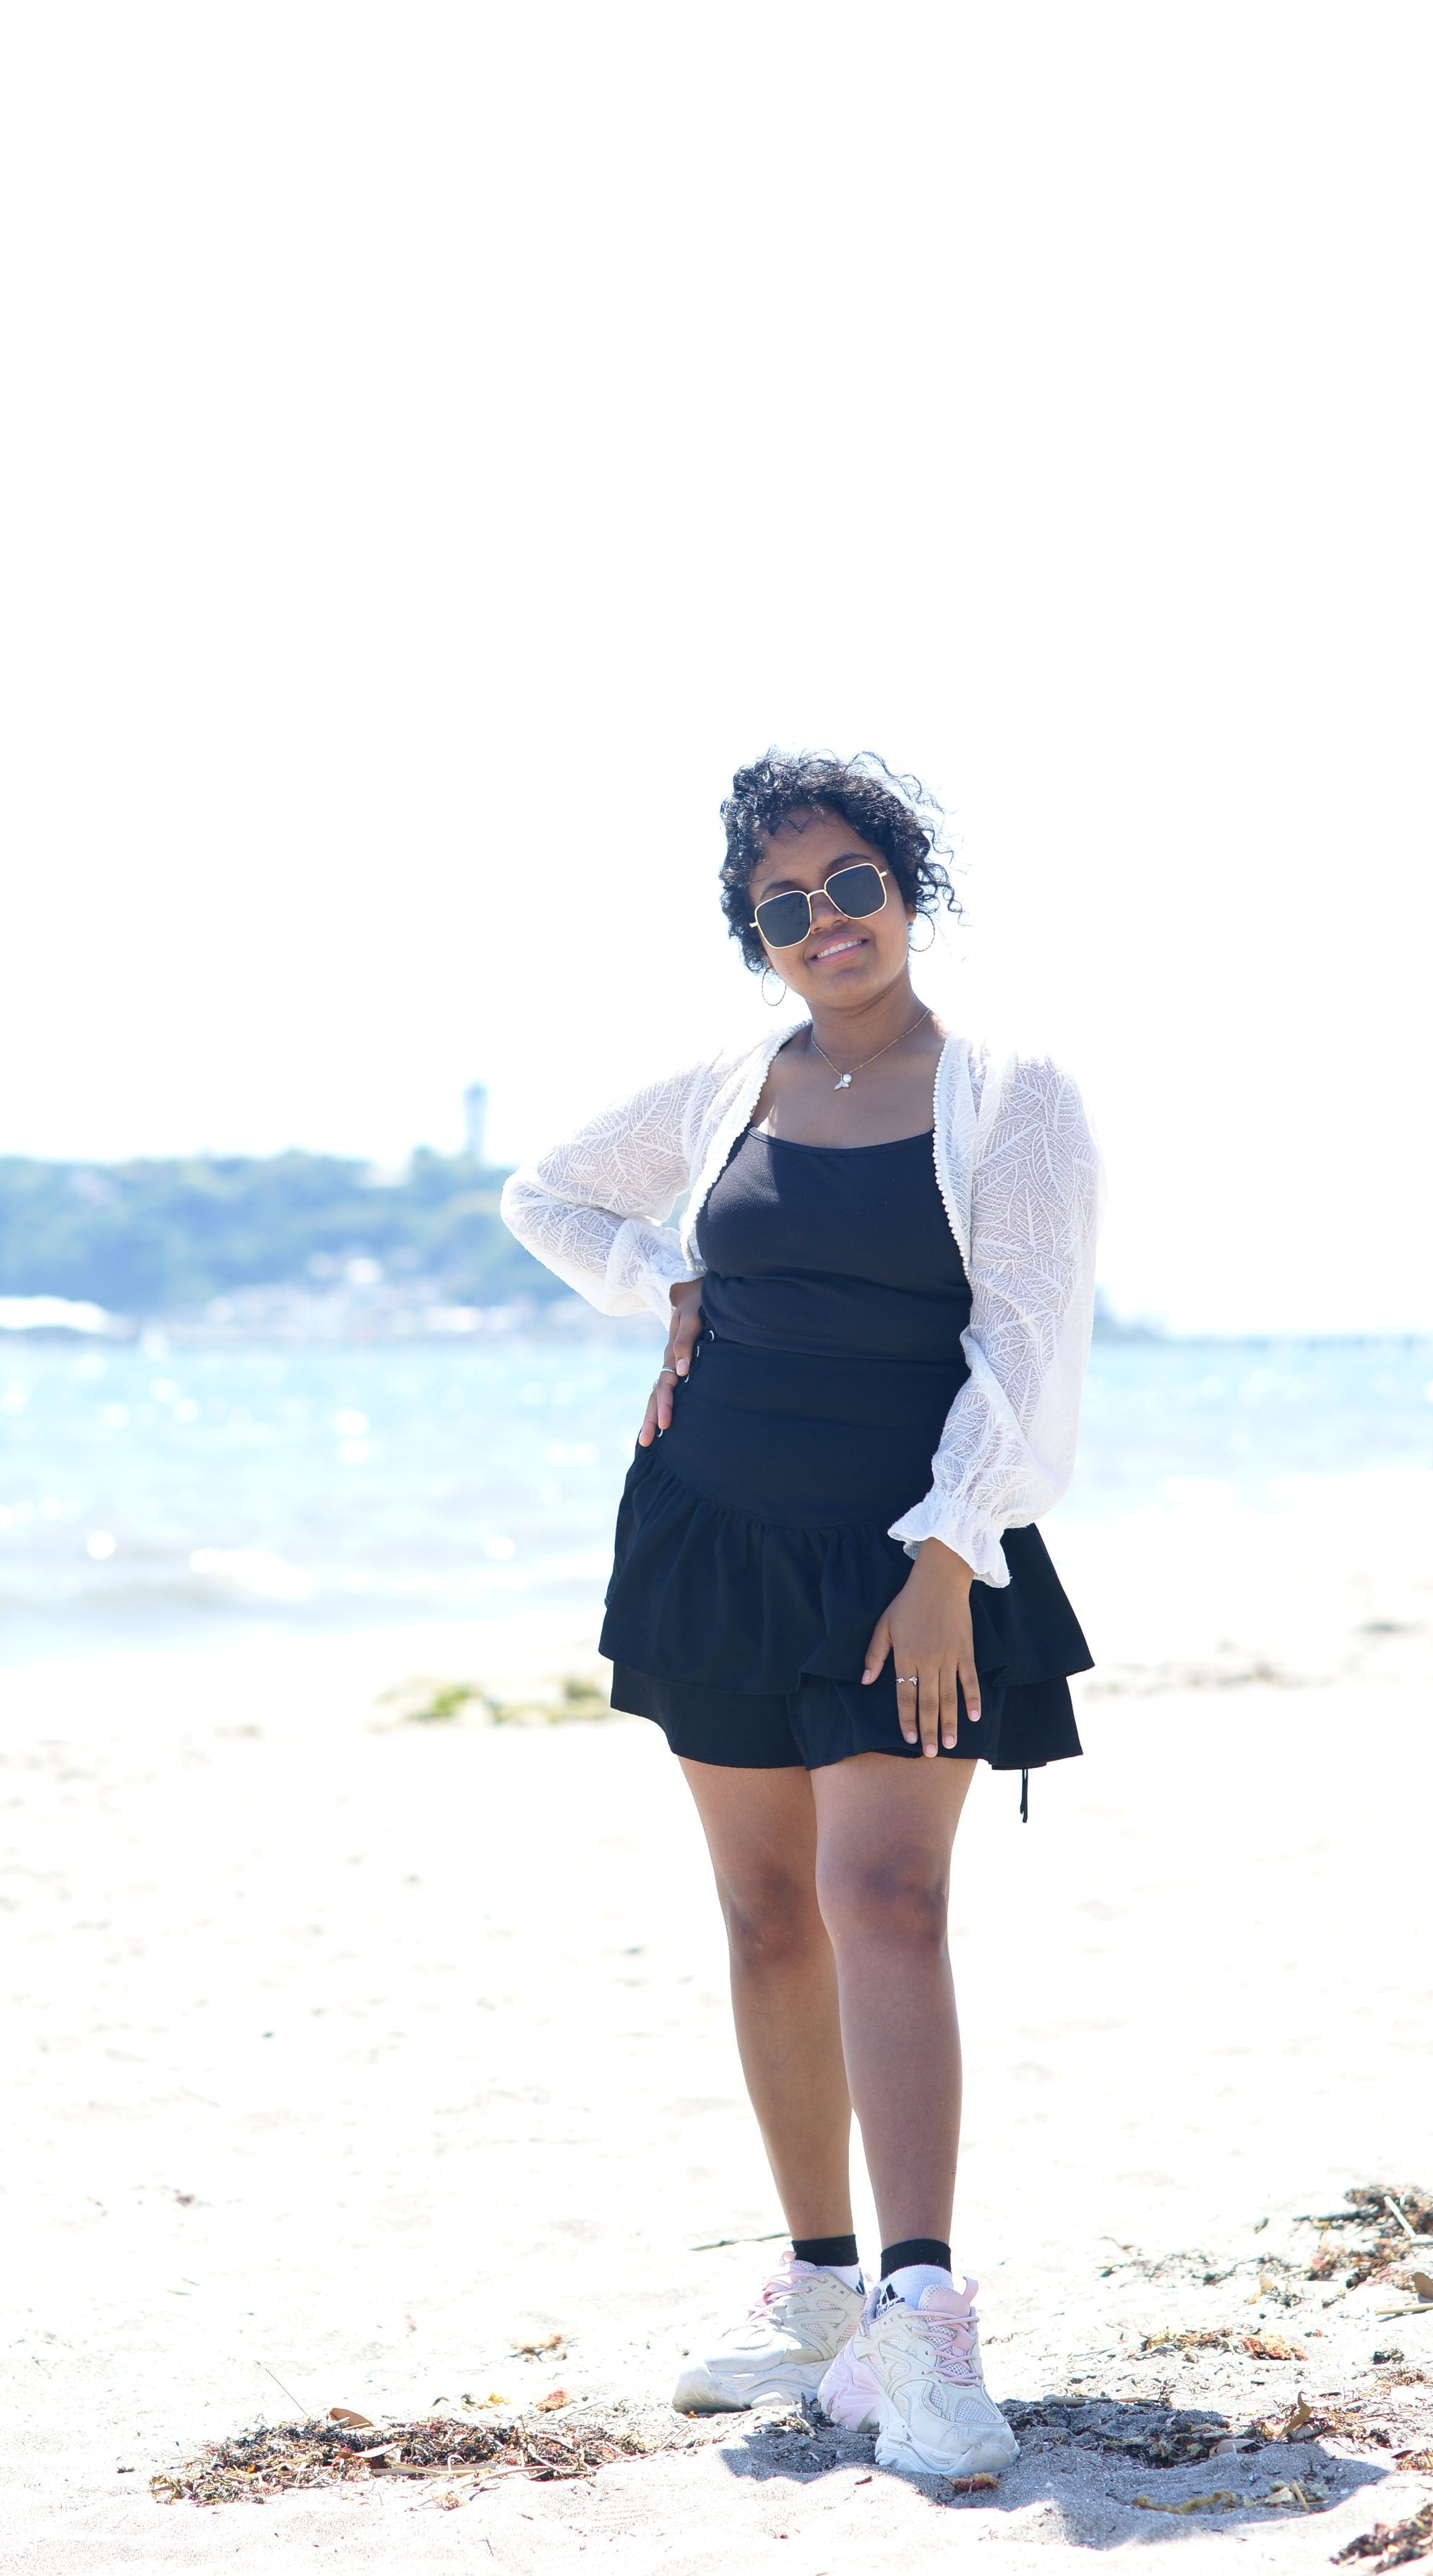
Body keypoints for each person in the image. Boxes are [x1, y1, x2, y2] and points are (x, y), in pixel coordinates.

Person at [500, 750, 1102, 2480]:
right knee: (767, 1915)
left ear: (905, 889)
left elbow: (1025, 1341)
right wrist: (666, 1281)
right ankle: (821, 2295)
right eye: (784, 905)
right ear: (752, 934)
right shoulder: (722, 1086)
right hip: (711, 1534)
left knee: (885, 1897)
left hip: (905, 1551)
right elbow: (544, 1195)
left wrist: (949, 1558)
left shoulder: (1011, 1096)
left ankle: (921, 2311)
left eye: (851, 884)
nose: (824, 922)